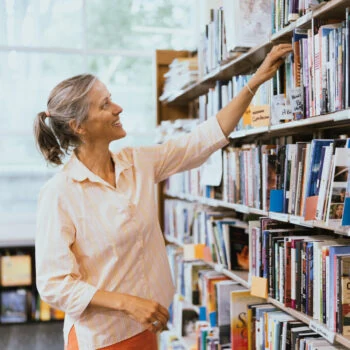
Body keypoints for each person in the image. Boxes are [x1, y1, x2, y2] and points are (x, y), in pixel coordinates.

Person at [34, 44, 292, 350]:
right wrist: (128, 303)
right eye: (105, 105)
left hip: (146, 325)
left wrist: (253, 83)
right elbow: (53, 284)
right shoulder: (60, 193)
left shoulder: (137, 162)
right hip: (102, 337)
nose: (118, 108)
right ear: (79, 127)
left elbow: (200, 141)